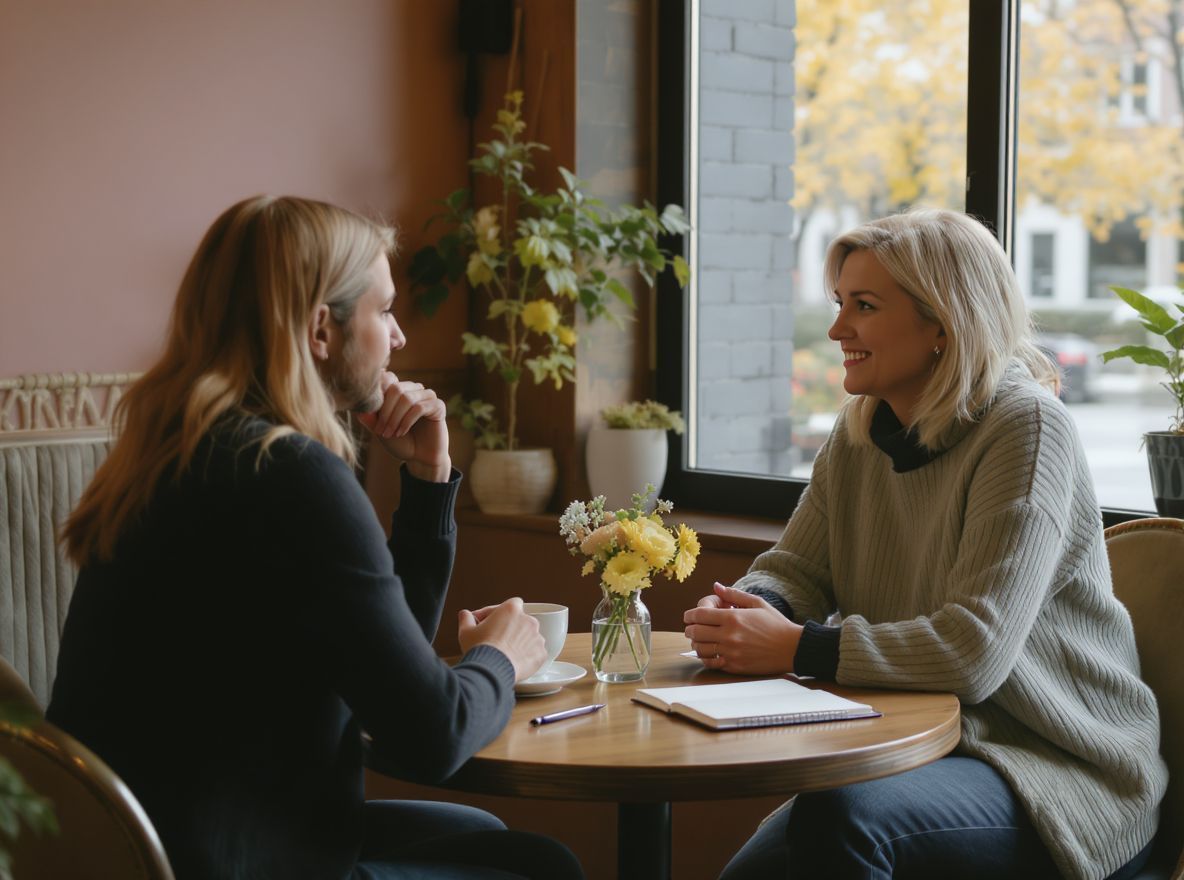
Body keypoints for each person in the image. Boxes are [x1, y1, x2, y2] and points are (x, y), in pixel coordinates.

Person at [47, 195, 583, 880]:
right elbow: (434, 737)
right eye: (384, 310)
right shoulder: (290, 475)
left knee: (480, 834)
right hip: (227, 858)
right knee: (543, 868)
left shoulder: (174, 450)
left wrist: (427, 477)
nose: (400, 338)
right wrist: (504, 657)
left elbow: (388, 680)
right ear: (320, 330)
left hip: (139, 848)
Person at [683, 209, 1167, 880]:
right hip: (911, 748)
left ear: (943, 323)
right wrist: (752, 607)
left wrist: (796, 645)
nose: (835, 329)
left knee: (839, 820)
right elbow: (794, 568)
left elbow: (975, 653)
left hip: (1057, 770)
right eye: (838, 303)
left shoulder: (1027, 430)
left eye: (865, 306)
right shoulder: (859, 433)